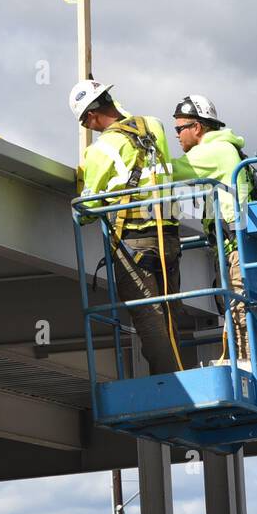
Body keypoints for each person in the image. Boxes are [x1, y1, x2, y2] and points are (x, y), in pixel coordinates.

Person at [70, 79, 184, 374]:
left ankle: (172, 387)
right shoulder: (154, 126)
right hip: (169, 238)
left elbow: (89, 209)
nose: (89, 130)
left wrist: (82, 195)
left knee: (150, 319)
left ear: (91, 116)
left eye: (86, 123)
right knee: (170, 316)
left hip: (135, 244)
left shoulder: (100, 150)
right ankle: (182, 373)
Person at [168, 95, 257, 363]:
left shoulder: (211, 151)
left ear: (197, 127)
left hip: (236, 246)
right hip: (238, 243)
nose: (177, 136)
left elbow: (167, 173)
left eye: (179, 129)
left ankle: (244, 367)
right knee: (239, 308)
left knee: (240, 309)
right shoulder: (225, 149)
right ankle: (245, 363)